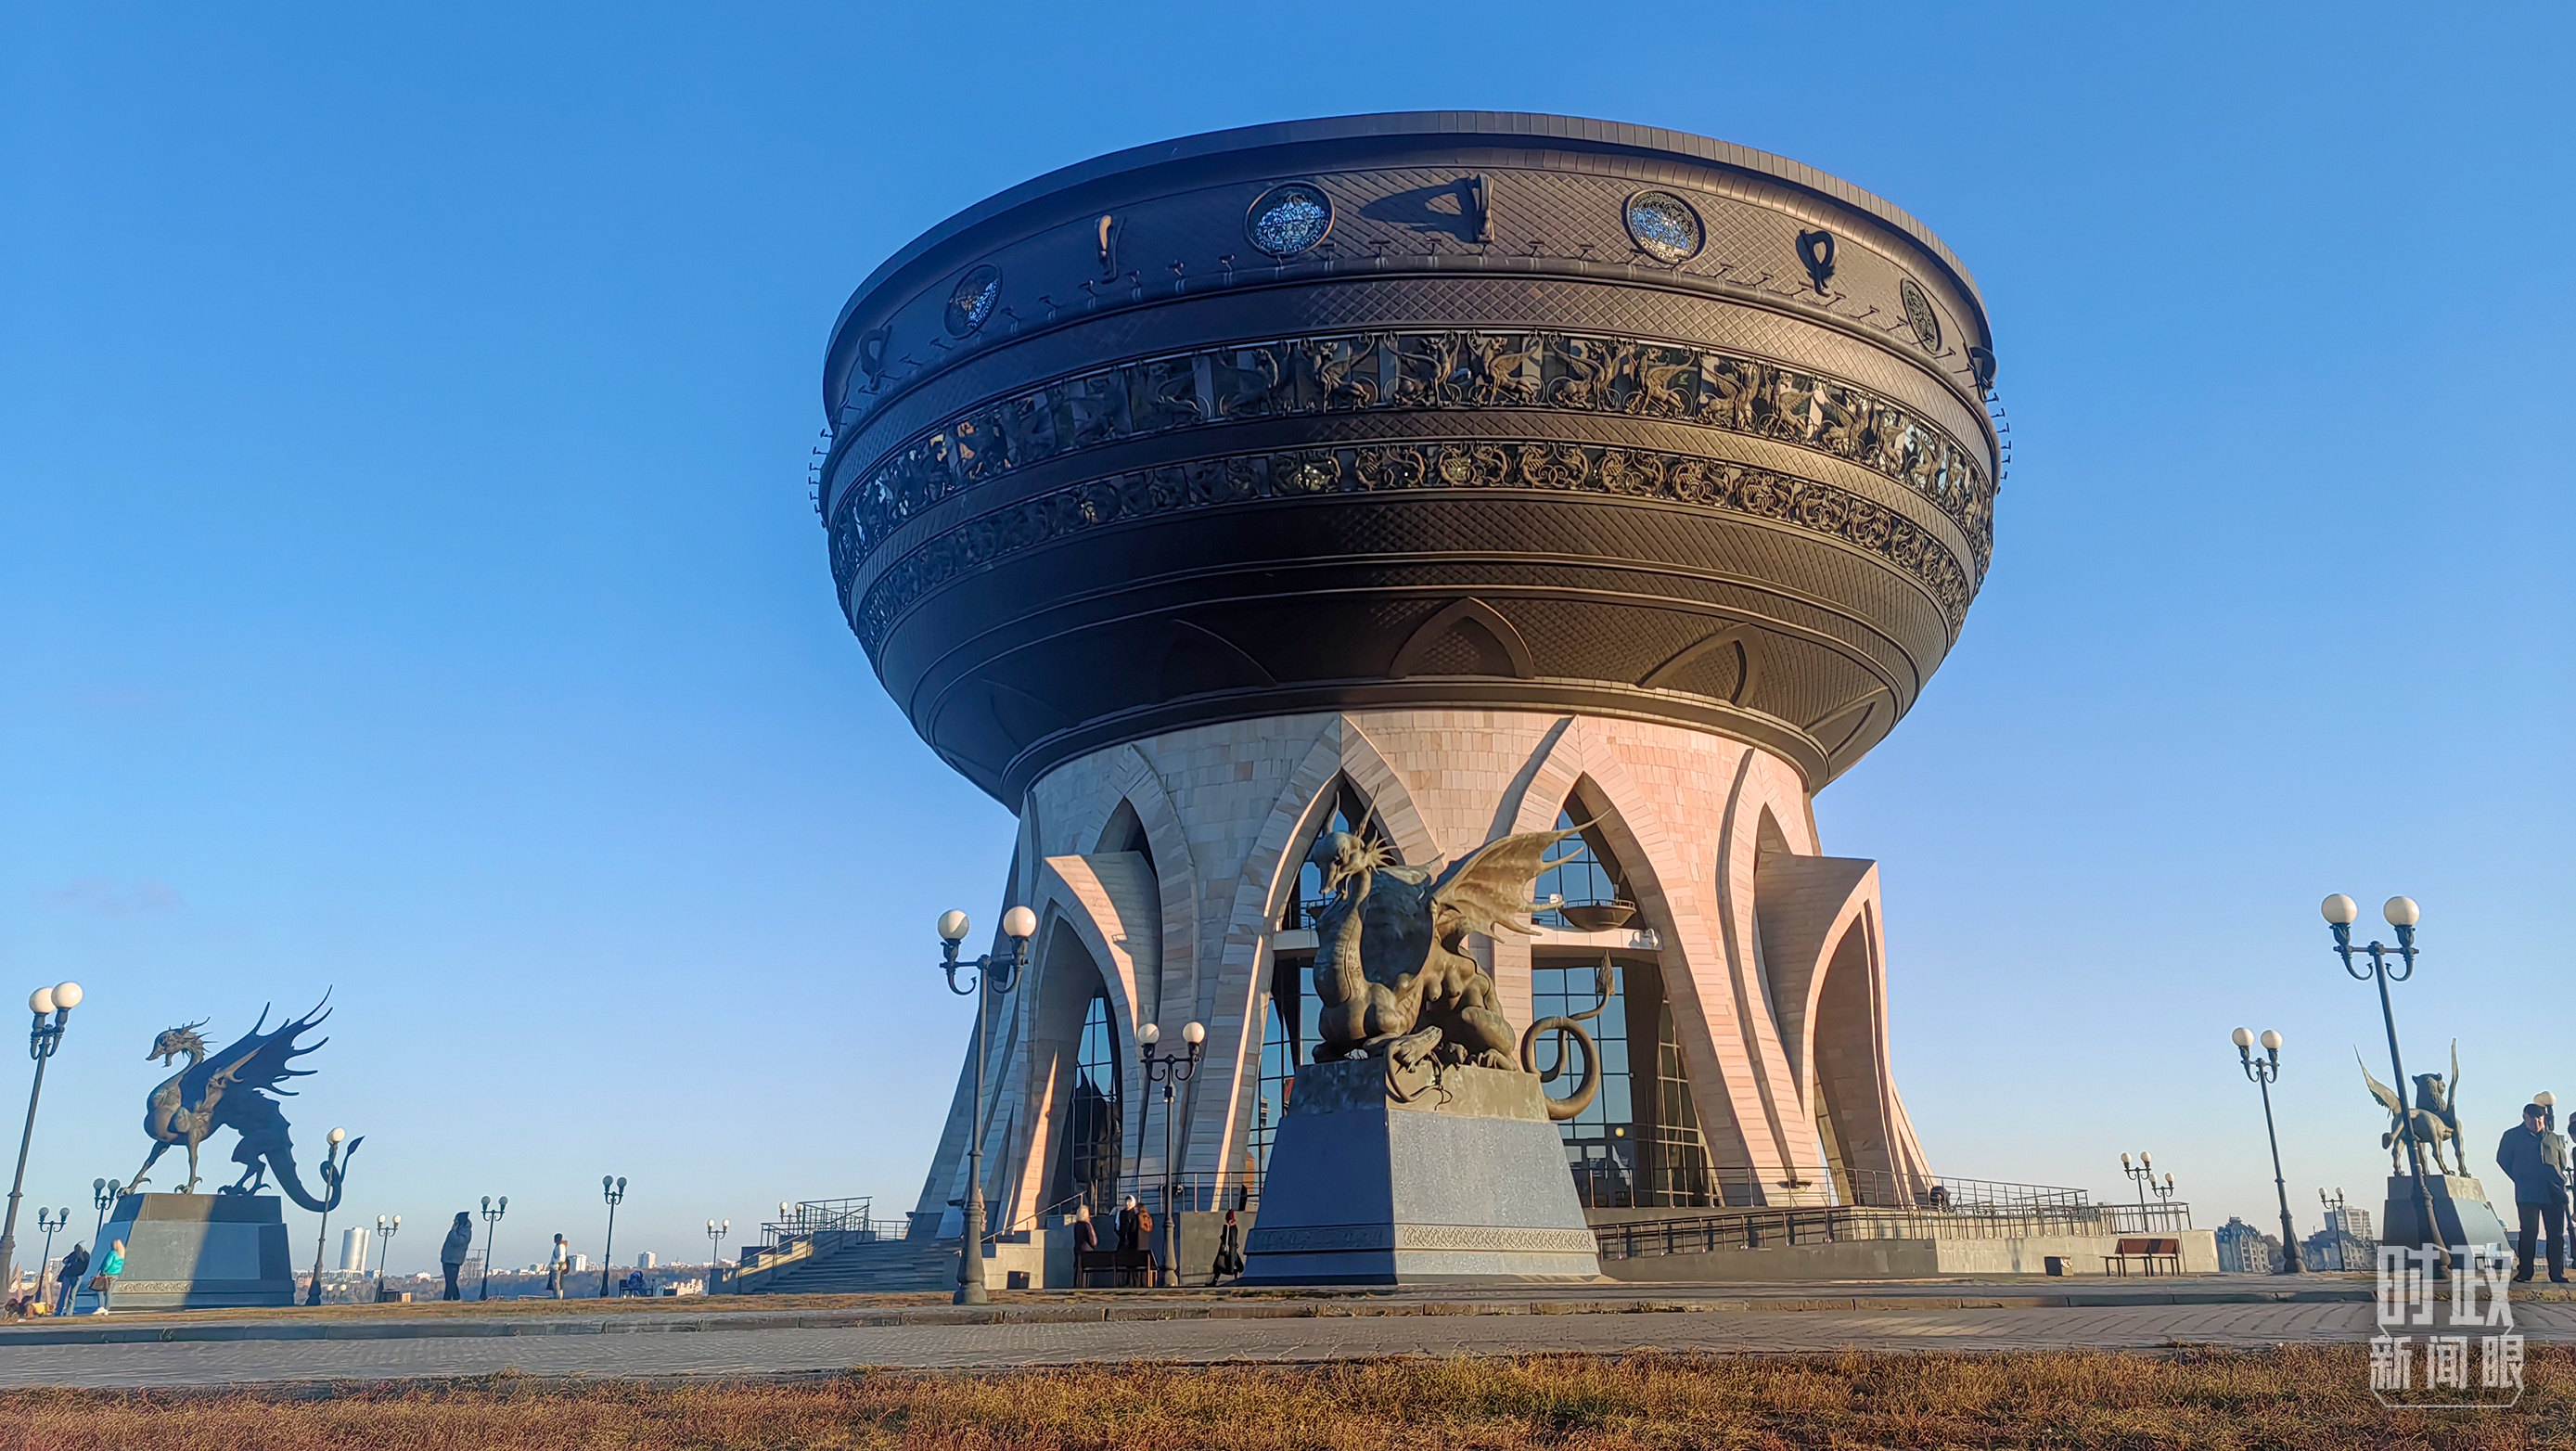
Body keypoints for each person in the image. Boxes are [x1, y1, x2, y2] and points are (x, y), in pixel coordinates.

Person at [2497, 1102, 2571, 1283]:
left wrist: (2557, 1180)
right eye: (2531, 1119)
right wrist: (2520, 1177)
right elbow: (2503, 1160)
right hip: (2528, 1192)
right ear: (2525, 1118)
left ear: (2544, 1118)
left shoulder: (2554, 1138)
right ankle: (2525, 1272)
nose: (2536, 1122)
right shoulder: (2512, 1136)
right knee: (2529, 1232)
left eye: (2539, 1118)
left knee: (2555, 1234)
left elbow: (2561, 1163)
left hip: (2554, 1192)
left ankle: (2557, 1273)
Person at [440, 1212, 473, 1301]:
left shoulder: (466, 1231)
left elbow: (456, 1241)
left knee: (451, 1280)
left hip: (454, 1259)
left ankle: (453, 1297)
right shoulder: (458, 1229)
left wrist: (453, 1231)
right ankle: (450, 1297)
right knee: (449, 1280)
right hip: (448, 1258)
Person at [54, 1243, 88, 1317]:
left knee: (69, 1295)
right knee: (66, 1295)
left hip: (75, 1276)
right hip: (70, 1276)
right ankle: (63, 1311)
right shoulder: (74, 1254)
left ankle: (66, 1312)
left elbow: (86, 1266)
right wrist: (66, 1261)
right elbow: (65, 1260)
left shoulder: (85, 1256)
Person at [91, 1239, 124, 1315]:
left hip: (108, 1274)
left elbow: (107, 1263)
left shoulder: (112, 1253)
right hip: (115, 1275)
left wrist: (103, 1271)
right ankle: (107, 1308)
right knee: (109, 1292)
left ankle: (101, 1307)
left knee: (100, 1290)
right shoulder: (121, 1255)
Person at [1211, 1207, 1245, 1281]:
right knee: (1233, 1265)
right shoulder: (1235, 1227)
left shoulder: (1227, 1227)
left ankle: (1214, 1281)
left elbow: (1225, 1237)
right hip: (1233, 1250)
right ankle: (1236, 1277)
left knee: (1219, 1265)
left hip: (1226, 1250)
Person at [547, 1234, 570, 1299]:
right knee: (557, 1282)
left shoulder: (560, 1246)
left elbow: (561, 1257)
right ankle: (558, 1296)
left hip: (557, 1267)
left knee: (556, 1282)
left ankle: (557, 1297)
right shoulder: (559, 1246)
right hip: (558, 1266)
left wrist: (554, 1263)